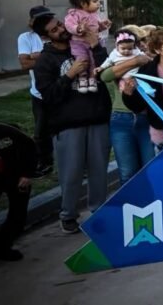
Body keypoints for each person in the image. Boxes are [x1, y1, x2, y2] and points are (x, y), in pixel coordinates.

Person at [32, 14, 111, 234]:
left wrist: (95, 43)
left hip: (97, 118)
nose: (61, 29)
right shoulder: (45, 61)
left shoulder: (82, 42)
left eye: (59, 24)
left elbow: (106, 70)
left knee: (99, 171)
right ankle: (68, 215)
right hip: (67, 124)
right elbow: (48, 95)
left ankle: (99, 211)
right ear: (45, 36)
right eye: (54, 29)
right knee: (71, 173)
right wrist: (69, 74)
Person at [0, 118, 36, 274]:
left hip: (16, 176)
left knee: (18, 214)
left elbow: (30, 147)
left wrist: (27, 174)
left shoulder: (4, 132)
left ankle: (4, 246)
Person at [99, 29, 153, 184]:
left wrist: (142, 59)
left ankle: (153, 205)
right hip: (121, 118)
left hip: (145, 117)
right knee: (127, 172)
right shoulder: (116, 58)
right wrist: (134, 62)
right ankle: (130, 207)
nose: (128, 50)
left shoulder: (146, 59)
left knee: (150, 167)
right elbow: (105, 76)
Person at [17, 6, 54, 175]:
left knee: (68, 127)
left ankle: (78, 165)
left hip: (60, 89)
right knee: (41, 130)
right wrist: (48, 57)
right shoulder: (26, 38)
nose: (44, 22)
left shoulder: (56, 34)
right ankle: (45, 162)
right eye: (40, 19)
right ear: (32, 22)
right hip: (38, 92)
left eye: (47, 18)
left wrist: (37, 56)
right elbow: (24, 63)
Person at [64, 0, 110, 94]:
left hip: (93, 43)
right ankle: (82, 80)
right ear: (83, 4)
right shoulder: (74, 14)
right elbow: (69, 25)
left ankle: (92, 79)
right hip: (79, 43)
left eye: (98, 1)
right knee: (83, 60)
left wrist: (103, 25)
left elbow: (96, 28)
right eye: (95, 1)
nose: (98, 3)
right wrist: (79, 28)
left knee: (94, 61)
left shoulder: (94, 15)